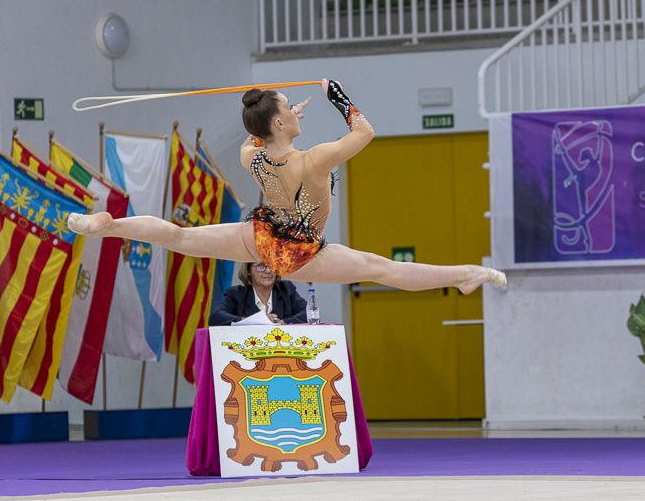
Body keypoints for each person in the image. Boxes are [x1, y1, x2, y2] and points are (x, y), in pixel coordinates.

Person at [67, 78, 507, 294]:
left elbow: (254, 139)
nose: (297, 114)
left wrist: (274, 121)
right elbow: (365, 132)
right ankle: (468, 274)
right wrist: (338, 96)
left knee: (179, 236)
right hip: (301, 251)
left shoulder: (253, 157)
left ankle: (108, 225)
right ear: (280, 121)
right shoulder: (313, 160)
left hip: (260, 237)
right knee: (381, 269)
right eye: (289, 112)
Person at [209, 262, 306, 326]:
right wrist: (255, 320)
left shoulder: (286, 290)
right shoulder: (237, 294)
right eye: (261, 266)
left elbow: (310, 313)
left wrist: (283, 322)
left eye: (272, 265)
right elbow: (215, 317)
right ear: (248, 271)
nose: (268, 271)